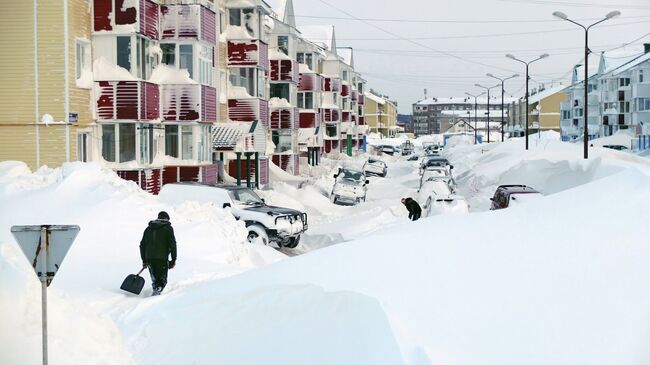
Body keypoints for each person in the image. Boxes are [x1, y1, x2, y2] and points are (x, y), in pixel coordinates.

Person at [140, 211, 177, 296]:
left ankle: (156, 291)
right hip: (162, 259)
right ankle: (157, 296)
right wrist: (173, 259)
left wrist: (144, 260)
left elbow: (142, 245)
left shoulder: (148, 228)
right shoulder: (168, 228)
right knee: (162, 281)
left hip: (149, 258)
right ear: (166, 219)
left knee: (155, 279)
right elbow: (173, 244)